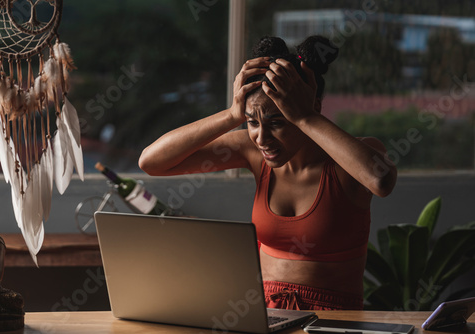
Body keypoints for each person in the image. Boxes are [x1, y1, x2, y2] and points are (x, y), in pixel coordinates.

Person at [138, 35, 397, 310]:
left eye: (277, 122)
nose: (262, 138)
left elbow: (381, 180)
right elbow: (151, 162)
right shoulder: (252, 150)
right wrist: (231, 115)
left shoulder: (353, 159)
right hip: (265, 316)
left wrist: (305, 117)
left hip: (333, 322)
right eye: (252, 122)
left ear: (312, 108)